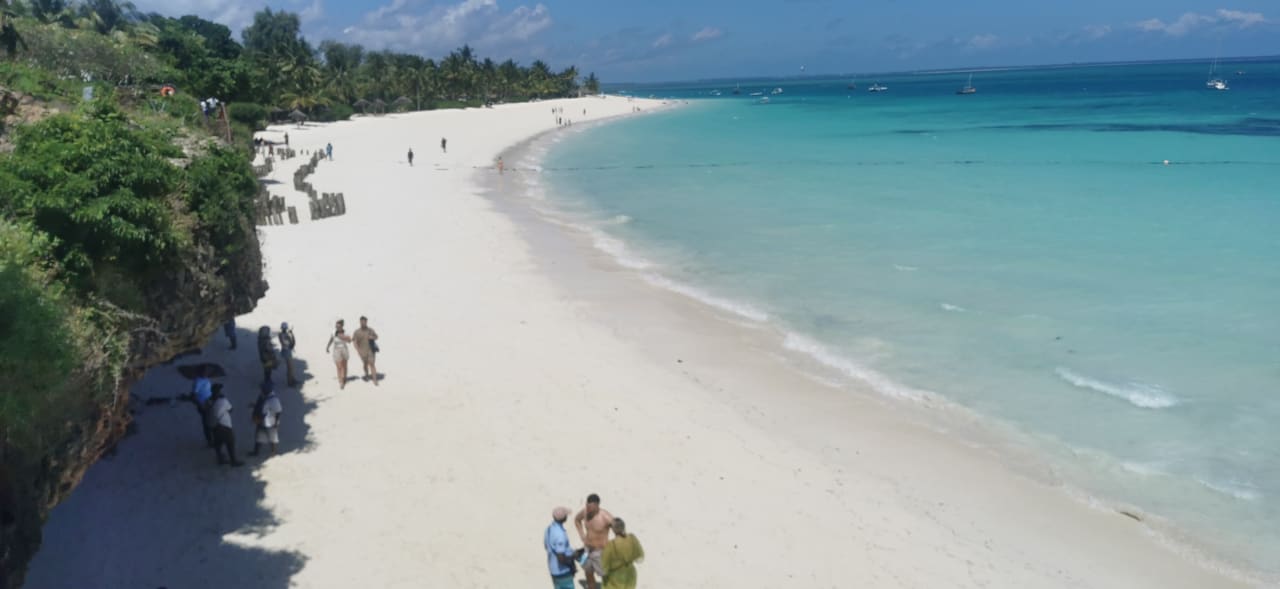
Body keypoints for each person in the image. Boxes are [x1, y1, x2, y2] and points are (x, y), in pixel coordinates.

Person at [575, 493, 614, 589]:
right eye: (587, 506)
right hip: (587, 550)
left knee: (606, 576)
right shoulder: (585, 512)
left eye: (591, 507)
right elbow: (577, 520)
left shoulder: (606, 517)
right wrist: (582, 536)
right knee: (588, 573)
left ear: (597, 505)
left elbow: (619, 531)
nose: (588, 510)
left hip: (600, 552)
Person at [601, 518, 643, 589]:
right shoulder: (632, 538)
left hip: (616, 577)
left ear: (613, 530)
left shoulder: (611, 545)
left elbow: (604, 566)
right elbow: (640, 555)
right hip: (630, 573)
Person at [209, 384, 243, 466]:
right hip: (224, 425)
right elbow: (231, 409)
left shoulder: (209, 401)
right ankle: (233, 461)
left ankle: (220, 458)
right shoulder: (223, 401)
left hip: (214, 426)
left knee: (218, 443)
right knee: (230, 442)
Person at [544, 506, 577, 589]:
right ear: (564, 518)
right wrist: (571, 564)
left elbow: (546, 546)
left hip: (553, 568)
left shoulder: (549, 529)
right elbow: (561, 557)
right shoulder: (560, 535)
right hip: (562, 571)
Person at [249, 380, 283, 459]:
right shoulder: (263, 396)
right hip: (261, 420)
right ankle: (256, 451)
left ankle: (273, 452)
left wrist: (276, 422)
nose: (261, 390)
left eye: (262, 389)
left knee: (272, 436)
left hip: (270, 421)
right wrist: (254, 406)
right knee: (259, 435)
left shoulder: (274, 400)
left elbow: (278, 411)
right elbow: (261, 406)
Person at [352, 316, 379, 386]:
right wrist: (358, 350)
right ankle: (366, 374)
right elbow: (354, 341)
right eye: (362, 322)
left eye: (364, 322)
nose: (363, 323)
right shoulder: (357, 332)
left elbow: (376, 337)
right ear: (360, 322)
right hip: (362, 351)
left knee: (372, 364)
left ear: (366, 322)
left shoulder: (370, 330)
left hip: (371, 350)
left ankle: (375, 380)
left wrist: (372, 337)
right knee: (365, 364)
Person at [191, 367, 215, 447]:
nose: (206, 374)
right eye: (205, 373)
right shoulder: (197, 381)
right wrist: (200, 405)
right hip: (203, 404)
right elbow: (193, 395)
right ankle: (210, 441)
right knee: (206, 423)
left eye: (207, 373)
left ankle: (213, 438)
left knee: (212, 420)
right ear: (201, 373)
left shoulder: (206, 379)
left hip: (209, 402)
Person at [326, 320, 353, 389]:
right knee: (339, 366)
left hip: (344, 348)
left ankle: (344, 378)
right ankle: (341, 382)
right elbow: (331, 339)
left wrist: (342, 337)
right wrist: (327, 346)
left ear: (342, 326)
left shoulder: (346, 332)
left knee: (344, 365)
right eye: (336, 326)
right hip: (336, 349)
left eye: (338, 326)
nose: (337, 327)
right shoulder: (333, 332)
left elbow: (350, 341)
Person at [278, 322, 299, 387]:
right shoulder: (282, 335)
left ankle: (292, 380)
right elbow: (289, 344)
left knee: (291, 367)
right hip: (286, 351)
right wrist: (290, 334)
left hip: (287, 351)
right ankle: (290, 382)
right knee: (290, 368)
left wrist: (291, 334)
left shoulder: (284, 334)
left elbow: (292, 343)